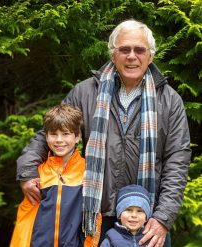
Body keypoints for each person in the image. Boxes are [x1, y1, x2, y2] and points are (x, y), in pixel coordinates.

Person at [16, 19, 191, 247]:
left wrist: (162, 218)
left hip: (146, 221)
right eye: (124, 49)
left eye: (139, 50)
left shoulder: (169, 101)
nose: (131, 56)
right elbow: (50, 132)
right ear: (112, 54)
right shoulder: (85, 92)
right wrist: (28, 171)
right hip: (94, 216)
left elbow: (177, 160)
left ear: (150, 56)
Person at [11, 104, 90, 246]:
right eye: (53, 134)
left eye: (65, 134)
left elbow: (94, 219)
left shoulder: (87, 172)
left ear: (77, 136)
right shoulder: (38, 174)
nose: (59, 140)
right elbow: (25, 220)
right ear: (46, 137)